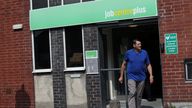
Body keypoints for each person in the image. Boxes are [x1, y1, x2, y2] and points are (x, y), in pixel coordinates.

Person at [118, 39, 154, 108]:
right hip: (131, 77)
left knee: (139, 95)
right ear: (134, 45)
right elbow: (124, 64)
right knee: (132, 93)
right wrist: (121, 76)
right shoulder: (128, 53)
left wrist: (151, 75)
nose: (140, 45)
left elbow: (148, 64)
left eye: (140, 44)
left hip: (142, 77)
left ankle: (138, 106)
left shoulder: (144, 53)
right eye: (138, 44)